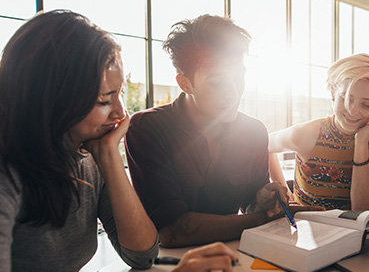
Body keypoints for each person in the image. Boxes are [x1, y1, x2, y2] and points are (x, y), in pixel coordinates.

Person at [0, 10, 237, 272]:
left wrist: (109, 160)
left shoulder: (90, 158)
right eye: (105, 100)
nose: (120, 113)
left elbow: (142, 255)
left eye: (118, 94)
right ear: (54, 100)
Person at [125, 15, 315, 248]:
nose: (234, 93)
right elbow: (172, 231)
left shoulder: (254, 131)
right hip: (171, 267)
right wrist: (262, 218)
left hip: (234, 256)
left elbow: (249, 206)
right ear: (185, 83)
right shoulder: (147, 129)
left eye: (239, 78)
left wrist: (262, 200)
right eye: (217, 83)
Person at [268, 53, 369, 211]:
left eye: (366, 105)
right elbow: (265, 145)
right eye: (346, 98)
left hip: (356, 231)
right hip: (308, 229)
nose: (353, 111)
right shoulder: (308, 134)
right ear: (334, 93)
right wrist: (285, 195)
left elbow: (361, 208)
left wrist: (361, 142)